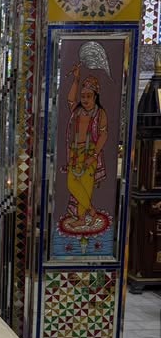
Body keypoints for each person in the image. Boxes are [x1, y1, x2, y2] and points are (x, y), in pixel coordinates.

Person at [63, 65, 108, 228]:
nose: (85, 99)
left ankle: (82, 218)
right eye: (82, 96)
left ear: (95, 96)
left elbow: (104, 135)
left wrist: (93, 156)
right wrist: (76, 79)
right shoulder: (77, 111)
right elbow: (70, 99)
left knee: (86, 186)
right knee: (72, 183)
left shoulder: (100, 113)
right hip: (75, 153)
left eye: (89, 96)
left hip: (90, 153)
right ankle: (92, 212)